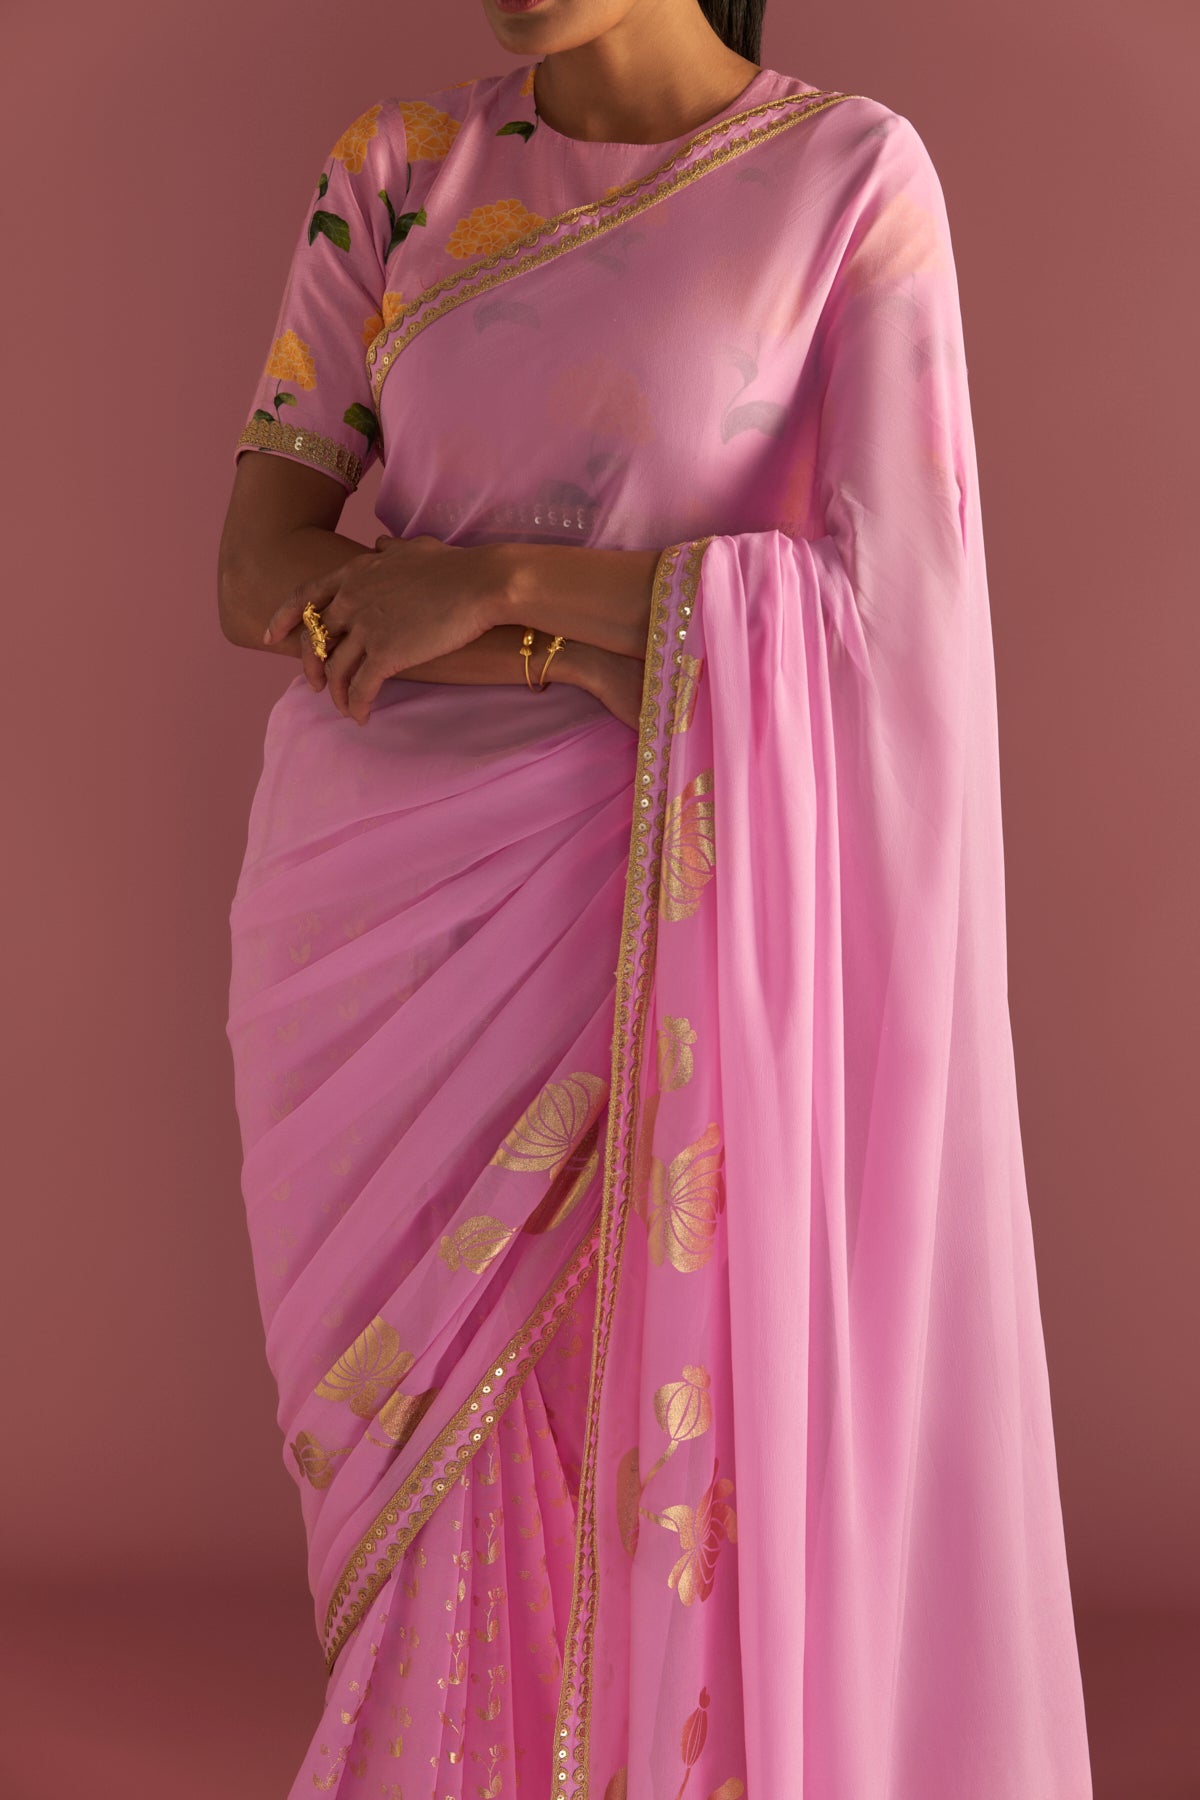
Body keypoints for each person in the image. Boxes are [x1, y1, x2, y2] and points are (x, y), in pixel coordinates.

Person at [217, 1, 1095, 1794]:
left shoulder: (849, 181)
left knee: (649, 1431)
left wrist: (490, 591)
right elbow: (257, 572)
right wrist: (587, 649)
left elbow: (891, 626)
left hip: (671, 913)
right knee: (432, 1502)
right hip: (376, 942)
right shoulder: (397, 172)